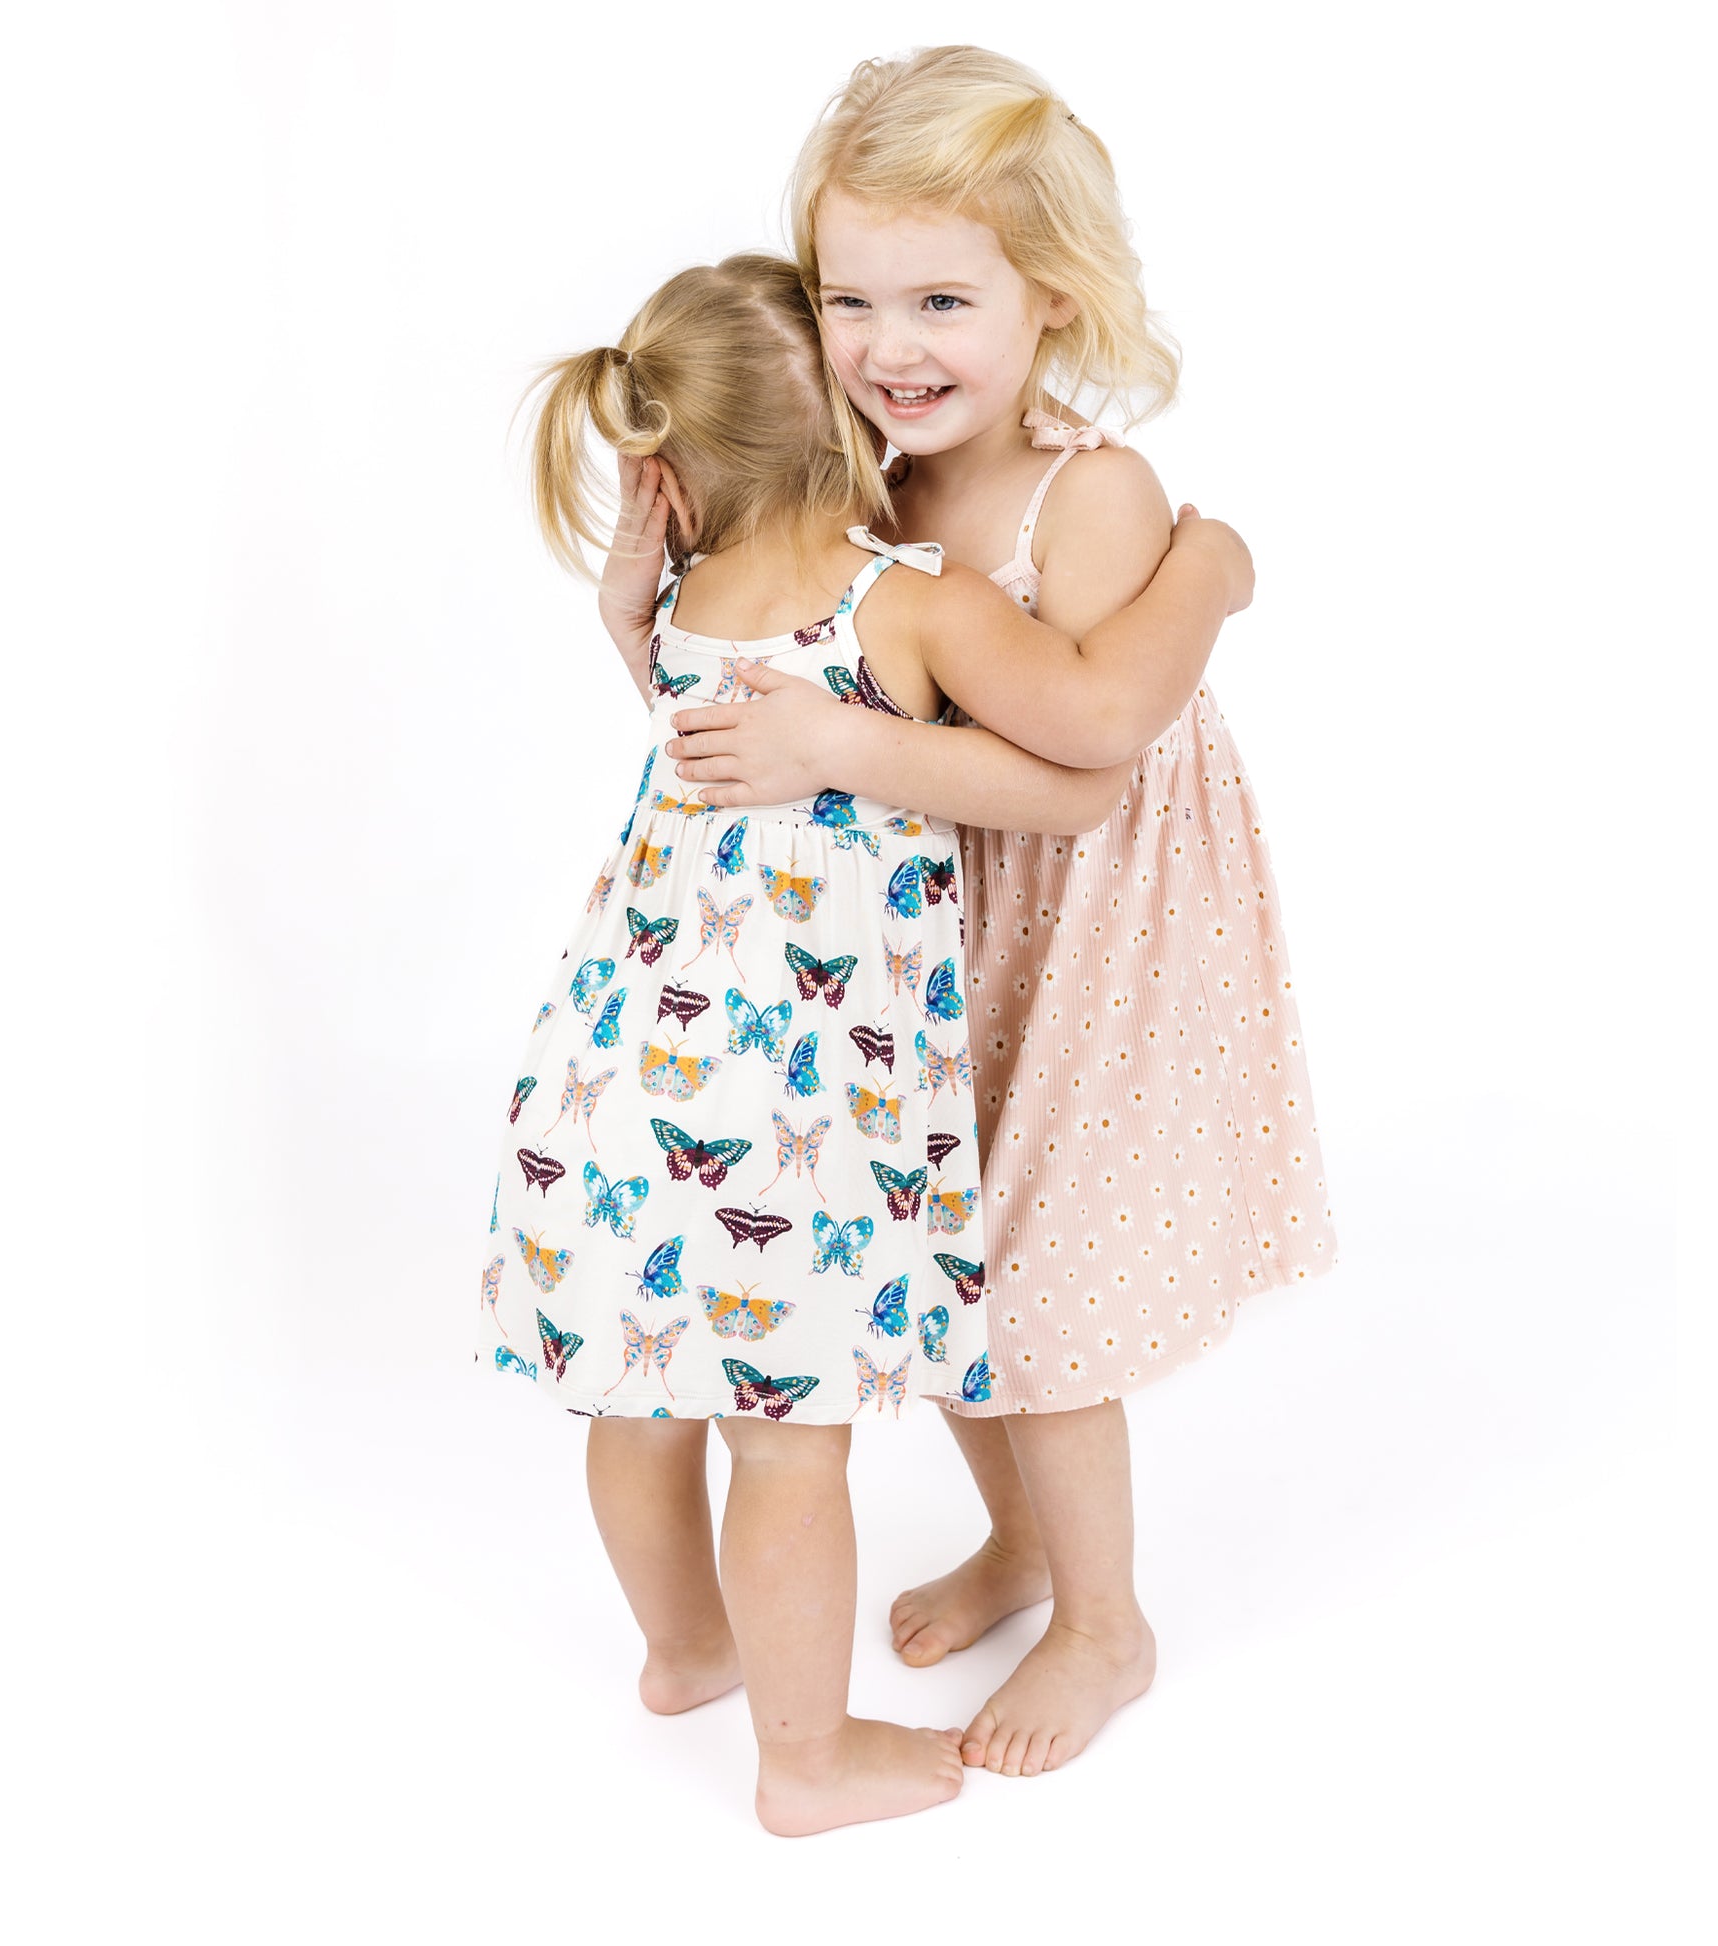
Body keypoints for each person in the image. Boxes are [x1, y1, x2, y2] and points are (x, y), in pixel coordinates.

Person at [625, 47, 1340, 1784]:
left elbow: (1096, 738)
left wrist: (1207, 567)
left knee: (1045, 1290)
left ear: (1051, 300)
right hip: (921, 938)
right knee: (935, 1259)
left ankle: (1105, 1621)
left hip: (1089, 935)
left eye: (942, 299)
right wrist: (639, 617)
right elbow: (745, 701)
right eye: (849, 298)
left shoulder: (1088, 495)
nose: (891, 345)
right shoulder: (853, 488)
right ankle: (1020, 1541)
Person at [484, 251, 1250, 1832]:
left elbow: (689, 728)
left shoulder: (682, 607)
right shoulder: (907, 601)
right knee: (784, 1449)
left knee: (637, 1407)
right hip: (787, 1107)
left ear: (676, 458)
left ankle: (684, 1650)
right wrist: (1210, 569)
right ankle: (807, 1761)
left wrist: (623, 605)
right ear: (846, 423)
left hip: (610, 1078)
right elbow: (1078, 778)